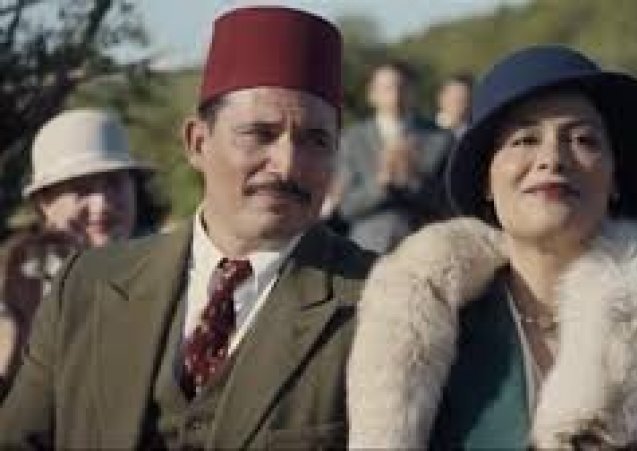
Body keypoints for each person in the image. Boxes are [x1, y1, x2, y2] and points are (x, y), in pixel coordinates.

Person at [0, 7, 374, 449]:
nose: (288, 164)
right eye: (260, 134)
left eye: (316, 140)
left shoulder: (379, 304)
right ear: (197, 142)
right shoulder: (86, 286)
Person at [347, 45, 637, 449]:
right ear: (486, 180)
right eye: (524, 139)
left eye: (583, 139)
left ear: (615, 179)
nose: (552, 159)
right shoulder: (429, 330)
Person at [0, 108, 163, 389]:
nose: (103, 204)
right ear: (44, 203)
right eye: (81, 189)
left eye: (114, 183)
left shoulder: (168, 269)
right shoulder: (15, 283)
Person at [336, 61, 454, 252]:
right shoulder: (352, 140)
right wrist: (381, 184)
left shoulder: (441, 138)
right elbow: (345, 208)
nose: (396, 95)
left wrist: (415, 180)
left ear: (414, 92)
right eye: (387, 88)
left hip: (423, 246)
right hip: (367, 249)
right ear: (372, 94)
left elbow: (448, 203)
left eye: (402, 87)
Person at [435, 73, 473, 140]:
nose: (457, 107)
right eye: (454, 100)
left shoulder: (476, 133)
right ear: (441, 99)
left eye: (463, 101)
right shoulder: (427, 131)